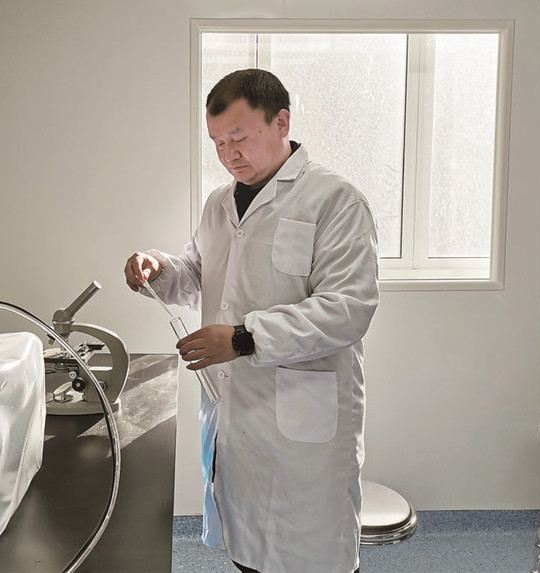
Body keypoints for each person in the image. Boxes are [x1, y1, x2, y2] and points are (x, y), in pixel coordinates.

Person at [124, 69, 379, 573]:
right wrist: (158, 268)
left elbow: (349, 308)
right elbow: (198, 274)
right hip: (237, 414)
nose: (228, 154)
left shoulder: (334, 200)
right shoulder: (219, 203)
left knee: (310, 556)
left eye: (239, 138)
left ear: (281, 122)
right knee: (248, 552)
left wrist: (244, 339)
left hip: (302, 416)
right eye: (218, 142)